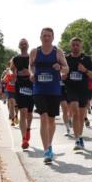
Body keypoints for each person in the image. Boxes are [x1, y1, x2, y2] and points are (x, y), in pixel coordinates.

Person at [30, 27, 68, 164]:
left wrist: (60, 68)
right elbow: (31, 66)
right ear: (40, 37)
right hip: (39, 89)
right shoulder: (35, 52)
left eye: (49, 36)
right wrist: (32, 74)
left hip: (54, 89)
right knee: (43, 117)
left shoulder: (57, 52)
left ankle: (50, 145)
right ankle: (46, 150)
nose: (46, 38)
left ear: (53, 37)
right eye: (44, 35)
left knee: (51, 120)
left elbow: (66, 68)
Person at [63, 37, 92, 152]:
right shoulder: (66, 59)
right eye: (73, 45)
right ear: (70, 46)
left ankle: (80, 137)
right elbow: (61, 73)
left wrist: (85, 70)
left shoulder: (86, 59)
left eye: (77, 45)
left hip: (83, 90)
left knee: (81, 117)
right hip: (71, 89)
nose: (75, 47)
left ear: (81, 46)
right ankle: (77, 140)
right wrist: (63, 75)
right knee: (75, 110)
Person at [12, 39, 35, 149]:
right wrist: (15, 74)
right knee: (23, 111)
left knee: (29, 113)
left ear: (28, 45)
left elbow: (36, 69)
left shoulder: (32, 57)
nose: (23, 45)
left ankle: (28, 128)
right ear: (19, 46)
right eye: (21, 43)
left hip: (31, 85)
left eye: (25, 43)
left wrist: (30, 73)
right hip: (20, 86)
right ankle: (24, 139)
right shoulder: (15, 59)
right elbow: (11, 70)